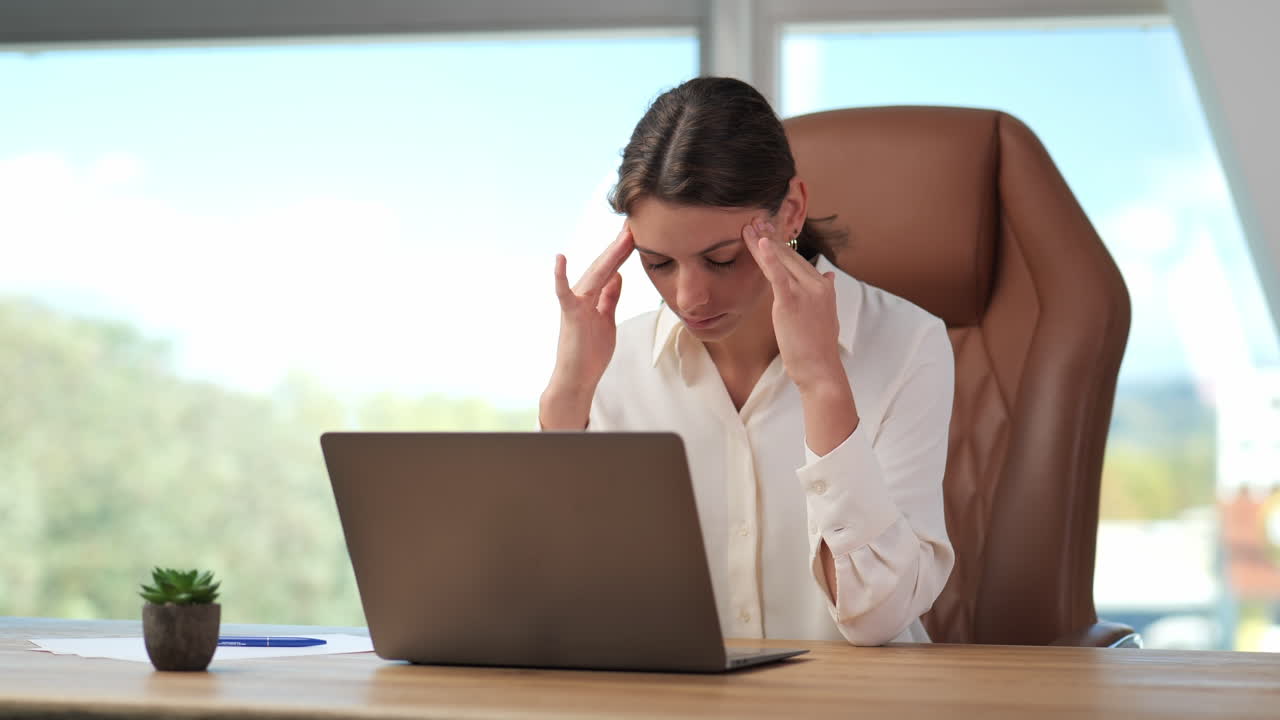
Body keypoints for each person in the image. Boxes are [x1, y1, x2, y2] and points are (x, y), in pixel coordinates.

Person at [539, 76, 955, 646]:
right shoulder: (611, 360)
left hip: (852, 694)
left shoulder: (908, 343)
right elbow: (556, 601)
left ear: (791, 212)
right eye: (659, 263)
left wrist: (823, 385)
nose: (689, 298)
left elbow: (878, 619)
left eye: (722, 259)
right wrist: (569, 396)